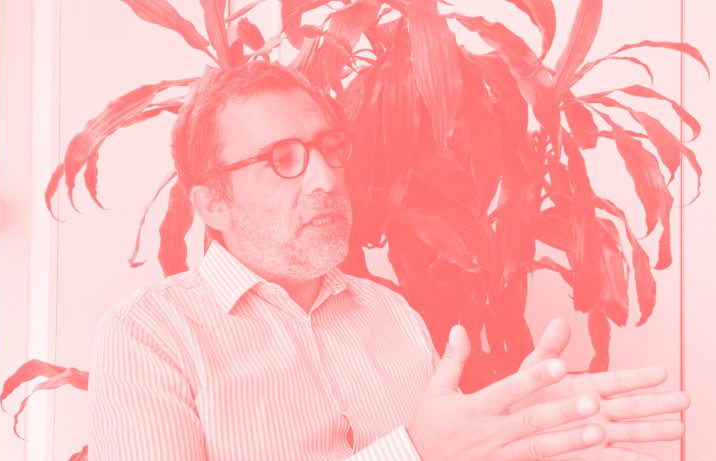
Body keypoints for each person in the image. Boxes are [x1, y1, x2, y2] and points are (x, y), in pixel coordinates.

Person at [89, 61, 689, 460]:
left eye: (330, 149)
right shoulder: (150, 334)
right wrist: (414, 452)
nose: (326, 179)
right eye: (283, 159)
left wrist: (510, 436)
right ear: (212, 203)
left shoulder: (392, 314)